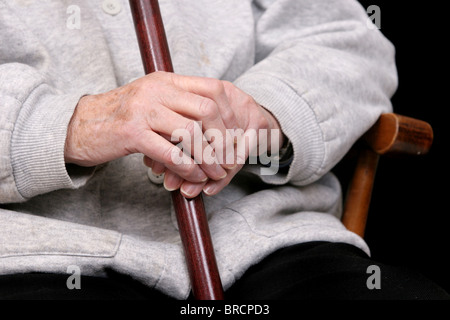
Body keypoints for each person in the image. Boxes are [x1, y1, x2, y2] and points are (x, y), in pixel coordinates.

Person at [0, 0, 447, 300]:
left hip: (266, 243)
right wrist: (73, 125)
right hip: (42, 257)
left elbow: (344, 40)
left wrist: (265, 115)